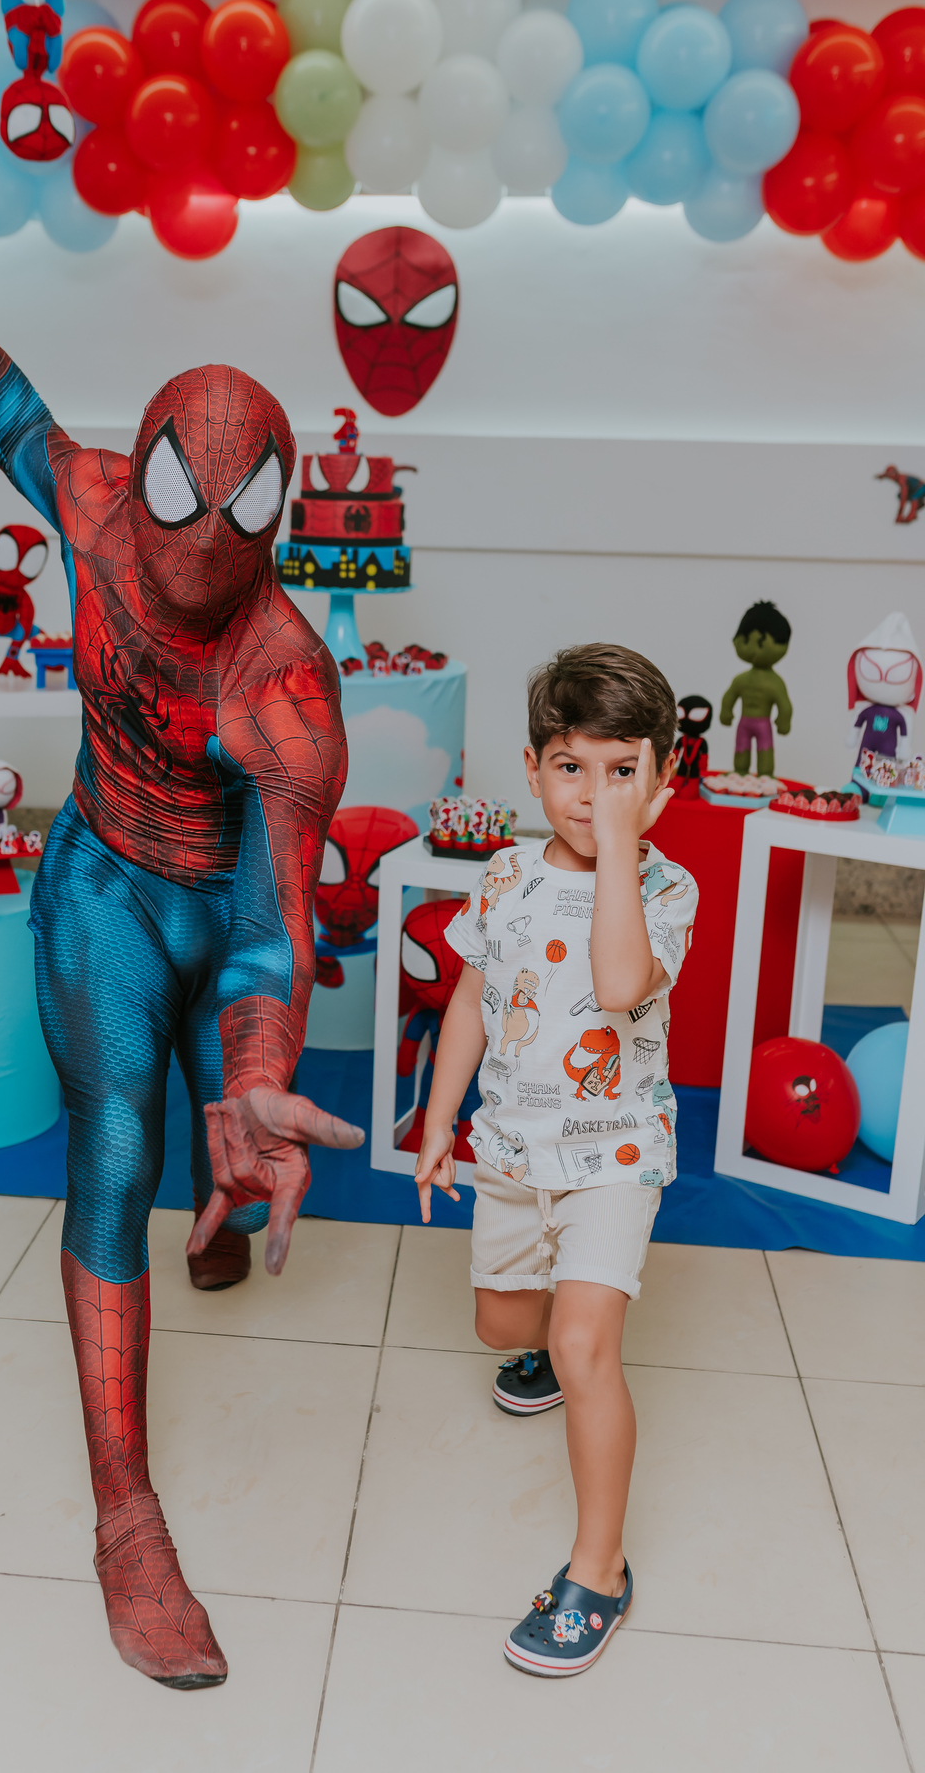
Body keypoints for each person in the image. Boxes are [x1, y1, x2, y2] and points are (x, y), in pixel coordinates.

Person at [0, 197, 364, 1690]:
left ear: (280, 520)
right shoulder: (99, 502)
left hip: (211, 893)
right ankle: (127, 1512)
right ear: (149, 484)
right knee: (115, 1142)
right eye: (182, 502)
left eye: (237, 520)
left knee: (211, 1108)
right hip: (104, 877)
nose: (194, 546)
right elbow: (10, 411)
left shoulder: (286, 685)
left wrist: (256, 1072)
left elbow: (272, 921)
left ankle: (221, 1183)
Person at [413, 643, 697, 1677]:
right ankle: (540, 1345)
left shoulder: (667, 889)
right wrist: (439, 1121)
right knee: (504, 1325)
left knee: (587, 1352)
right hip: (511, 1150)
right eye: (572, 768)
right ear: (532, 772)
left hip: (615, 1154)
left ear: (663, 780)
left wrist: (620, 849)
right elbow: (470, 1003)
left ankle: (599, 1570)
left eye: (624, 770)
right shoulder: (503, 877)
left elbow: (620, 984)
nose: (595, 795)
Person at [720, 599, 792, 777]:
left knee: (765, 749)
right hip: (744, 722)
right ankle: (740, 772)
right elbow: (730, 696)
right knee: (741, 746)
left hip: (763, 723)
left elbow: (784, 704)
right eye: (745, 640)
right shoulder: (741, 680)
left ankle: (765, 774)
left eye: (762, 643)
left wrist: (784, 720)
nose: (754, 649)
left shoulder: (775, 683)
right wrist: (726, 711)